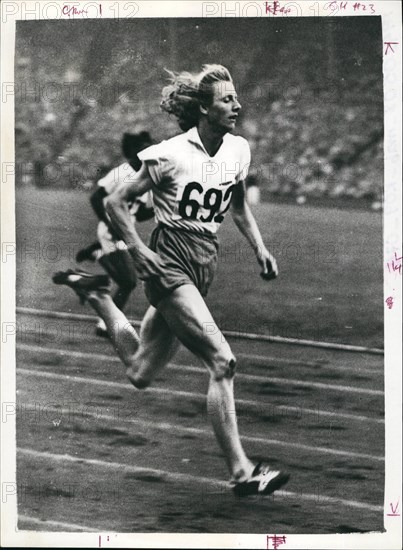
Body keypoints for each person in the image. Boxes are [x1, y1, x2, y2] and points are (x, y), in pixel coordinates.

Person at [53, 64, 289, 496]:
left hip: (203, 265)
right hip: (170, 265)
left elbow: (236, 207)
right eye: (226, 99)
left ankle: (99, 296)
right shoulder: (170, 153)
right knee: (222, 361)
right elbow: (116, 201)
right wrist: (140, 251)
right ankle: (242, 472)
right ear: (203, 108)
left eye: (235, 96)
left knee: (141, 371)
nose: (236, 104)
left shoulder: (237, 150)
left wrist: (260, 248)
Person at [75, 132, 154, 336]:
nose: (146, 151)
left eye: (149, 147)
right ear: (132, 151)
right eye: (142, 148)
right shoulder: (122, 172)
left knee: (126, 282)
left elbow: (141, 212)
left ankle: (97, 254)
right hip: (112, 232)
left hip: (125, 233)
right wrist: (108, 223)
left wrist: (162, 207)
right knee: (128, 282)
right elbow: (96, 197)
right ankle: (105, 325)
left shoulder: (146, 176)